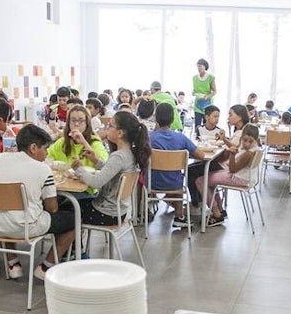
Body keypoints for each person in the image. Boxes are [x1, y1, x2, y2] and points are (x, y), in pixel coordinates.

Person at [0, 123, 77, 280]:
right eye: (45, 149)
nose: (46, 154)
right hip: (25, 227)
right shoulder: (43, 169)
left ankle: (13, 264)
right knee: (74, 219)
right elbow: (52, 208)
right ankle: (46, 266)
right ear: (33, 147)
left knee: (5, 211)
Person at [70, 111, 150, 241]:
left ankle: (73, 252)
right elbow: (111, 172)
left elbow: (96, 182)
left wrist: (79, 168)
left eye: (110, 126)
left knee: (68, 211)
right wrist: (96, 160)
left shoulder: (118, 156)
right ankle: (74, 250)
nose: (107, 129)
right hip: (119, 212)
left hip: (105, 213)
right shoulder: (129, 154)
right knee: (74, 205)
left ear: (120, 133)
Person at [149, 102, 210, 228]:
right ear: (172, 119)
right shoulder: (180, 138)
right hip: (174, 183)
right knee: (176, 174)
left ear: (156, 118)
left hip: (151, 183)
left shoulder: (149, 138)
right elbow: (201, 156)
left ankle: (141, 213)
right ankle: (179, 215)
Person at [197, 124, 262, 228]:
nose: (247, 144)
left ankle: (217, 214)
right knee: (209, 177)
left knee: (200, 181)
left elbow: (233, 169)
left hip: (238, 178)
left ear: (256, 140)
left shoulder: (248, 154)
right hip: (245, 178)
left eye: (250, 141)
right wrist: (225, 140)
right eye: (245, 140)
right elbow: (236, 147)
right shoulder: (254, 148)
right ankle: (219, 209)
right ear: (241, 139)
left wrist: (232, 155)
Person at [47, 104, 107, 190]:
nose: (76, 124)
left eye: (81, 121)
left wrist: (84, 142)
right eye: (73, 120)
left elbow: (104, 168)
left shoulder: (94, 143)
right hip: (65, 187)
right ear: (68, 123)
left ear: (87, 123)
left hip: (87, 190)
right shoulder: (63, 142)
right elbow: (47, 158)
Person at [191, 59, 216, 131]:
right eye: (197, 66)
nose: (199, 68)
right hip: (198, 104)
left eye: (200, 66)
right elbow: (195, 90)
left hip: (207, 104)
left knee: (207, 125)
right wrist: (193, 92)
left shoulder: (210, 77)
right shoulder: (194, 78)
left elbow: (215, 91)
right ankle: (197, 139)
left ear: (205, 67)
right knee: (197, 125)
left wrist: (207, 97)